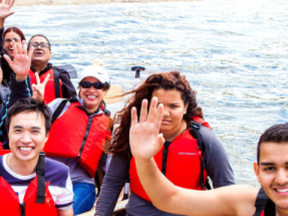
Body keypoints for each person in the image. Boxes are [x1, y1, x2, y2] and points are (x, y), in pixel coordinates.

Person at [96, 71, 235, 215]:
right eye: (158, 105)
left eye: (173, 106)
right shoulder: (134, 135)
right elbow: (113, 182)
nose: (165, 113)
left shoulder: (205, 139)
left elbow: (227, 190)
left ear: (185, 107)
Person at [130, 98, 288, 216]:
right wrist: (144, 159)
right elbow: (169, 199)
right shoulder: (249, 204)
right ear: (258, 172)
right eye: (270, 168)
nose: (281, 179)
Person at [43, 64, 111, 215]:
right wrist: (35, 103)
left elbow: (110, 165)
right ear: (80, 87)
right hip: (47, 177)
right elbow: (29, 126)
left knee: (62, 212)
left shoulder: (108, 124)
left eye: (98, 85)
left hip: (80, 184)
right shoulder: (59, 106)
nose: (91, 90)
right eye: (86, 85)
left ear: (105, 90)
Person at [0, 98, 74, 216]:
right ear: (8, 134)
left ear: (46, 136)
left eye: (34, 131)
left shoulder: (60, 173)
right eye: (18, 130)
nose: (25, 140)